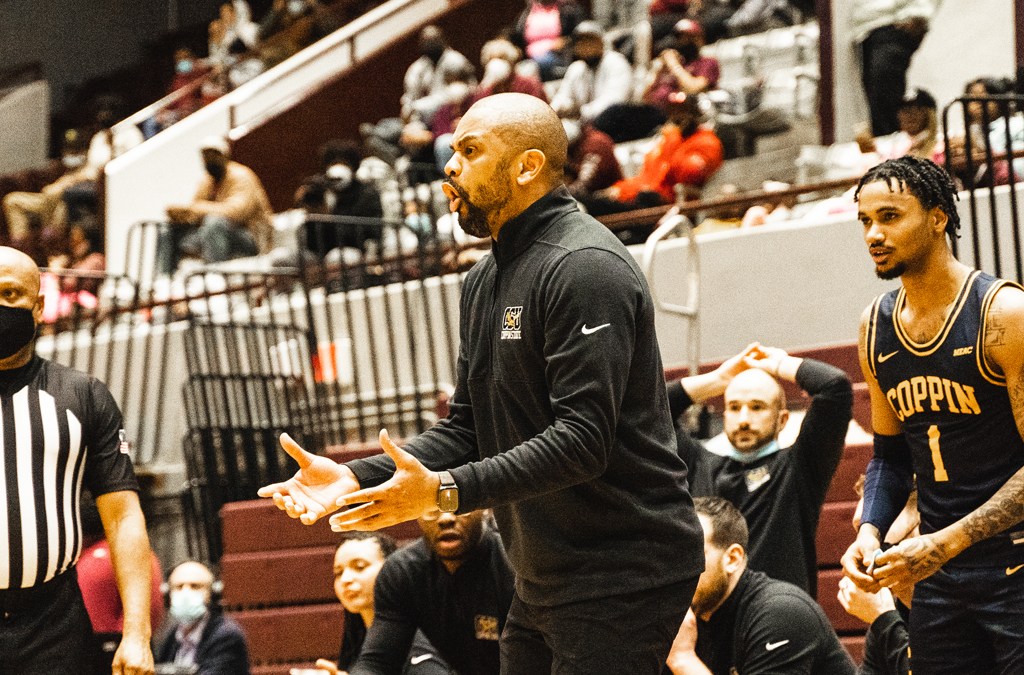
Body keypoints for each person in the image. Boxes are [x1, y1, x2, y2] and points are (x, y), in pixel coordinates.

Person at [258, 93, 705, 675]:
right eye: (452, 150)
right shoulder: (484, 279)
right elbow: (469, 428)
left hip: (625, 570)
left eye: (470, 151)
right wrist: (356, 474)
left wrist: (444, 492)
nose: (449, 165)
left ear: (526, 167)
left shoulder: (585, 265)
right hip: (544, 574)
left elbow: (582, 440)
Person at [844, 156, 1024, 673]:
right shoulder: (874, 327)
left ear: (939, 217)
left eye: (890, 216)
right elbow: (890, 457)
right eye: (865, 221)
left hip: (1014, 562)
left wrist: (949, 541)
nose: (874, 234)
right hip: (940, 576)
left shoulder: (1002, 315)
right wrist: (871, 531)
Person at [0, 247, 154, 675]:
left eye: (10, 294)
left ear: (38, 305)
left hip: (53, 624)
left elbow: (123, 518)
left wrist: (137, 634)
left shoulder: (81, 394)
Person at [667, 342, 852, 595]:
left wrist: (778, 364)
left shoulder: (800, 466)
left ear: (782, 419)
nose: (743, 419)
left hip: (778, 619)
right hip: (709, 624)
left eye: (757, 407)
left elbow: (834, 387)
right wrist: (718, 378)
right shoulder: (698, 463)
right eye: (734, 407)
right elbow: (653, 408)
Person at [665, 496, 856, 675]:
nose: (678, 570)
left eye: (692, 555)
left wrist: (683, 659)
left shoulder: (780, 613)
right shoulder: (690, 620)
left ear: (732, 559)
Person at [343, 509, 513, 675]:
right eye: (432, 509)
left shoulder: (512, 565)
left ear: (483, 507)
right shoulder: (404, 571)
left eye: (458, 506)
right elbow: (378, 662)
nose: (445, 518)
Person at [316, 532, 449, 675]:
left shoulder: (416, 638)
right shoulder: (357, 641)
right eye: (338, 572)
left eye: (360, 567)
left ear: (392, 570)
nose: (346, 579)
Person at [76, 492, 165, 675]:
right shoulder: (144, 553)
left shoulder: (97, 559)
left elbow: (94, 620)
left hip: (113, 647)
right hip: (137, 643)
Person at [157, 136, 274, 275]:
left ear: (224, 156)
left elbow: (236, 212)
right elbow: (195, 211)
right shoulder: (208, 181)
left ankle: (216, 276)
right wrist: (182, 216)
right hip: (218, 234)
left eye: (213, 155)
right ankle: (164, 279)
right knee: (169, 230)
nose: (209, 160)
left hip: (251, 237)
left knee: (214, 223)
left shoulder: (241, 176)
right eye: (205, 156)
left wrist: (197, 208)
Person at [851, 1, 937, 137]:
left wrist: (919, 13)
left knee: (884, 87)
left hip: (894, 22)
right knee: (876, 95)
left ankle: (893, 149)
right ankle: (887, 146)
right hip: (867, 28)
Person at [152, 561, 250, 674]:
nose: (186, 594)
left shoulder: (226, 635)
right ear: (167, 596)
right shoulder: (172, 637)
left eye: (195, 586)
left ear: (213, 595)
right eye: (178, 587)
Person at [296, 139, 385, 257]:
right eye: (333, 164)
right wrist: (314, 213)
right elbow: (312, 244)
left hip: (354, 252)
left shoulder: (367, 194)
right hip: (320, 254)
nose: (338, 169)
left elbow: (371, 233)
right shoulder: (321, 191)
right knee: (282, 259)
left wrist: (329, 220)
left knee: (338, 256)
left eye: (344, 164)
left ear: (353, 167)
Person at [549, 22, 633, 124]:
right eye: (581, 42)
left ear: (601, 42)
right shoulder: (577, 68)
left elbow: (615, 101)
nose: (586, 47)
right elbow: (563, 96)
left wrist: (582, 112)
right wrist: (557, 110)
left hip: (615, 124)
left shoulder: (616, 62)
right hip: (584, 124)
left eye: (590, 41)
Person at [401, 26, 475, 126]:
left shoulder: (456, 60)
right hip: (425, 120)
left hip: (456, 114)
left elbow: (470, 89)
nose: (430, 43)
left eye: (433, 39)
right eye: (426, 40)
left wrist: (422, 106)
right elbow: (410, 99)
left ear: (442, 39)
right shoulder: (416, 68)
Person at [509, 0, 586, 81]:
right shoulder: (528, 11)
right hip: (528, 56)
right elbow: (515, 35)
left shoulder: (568, 9)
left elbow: (578, 33)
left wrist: (565, 41)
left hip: (557, 56)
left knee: (537, 65)